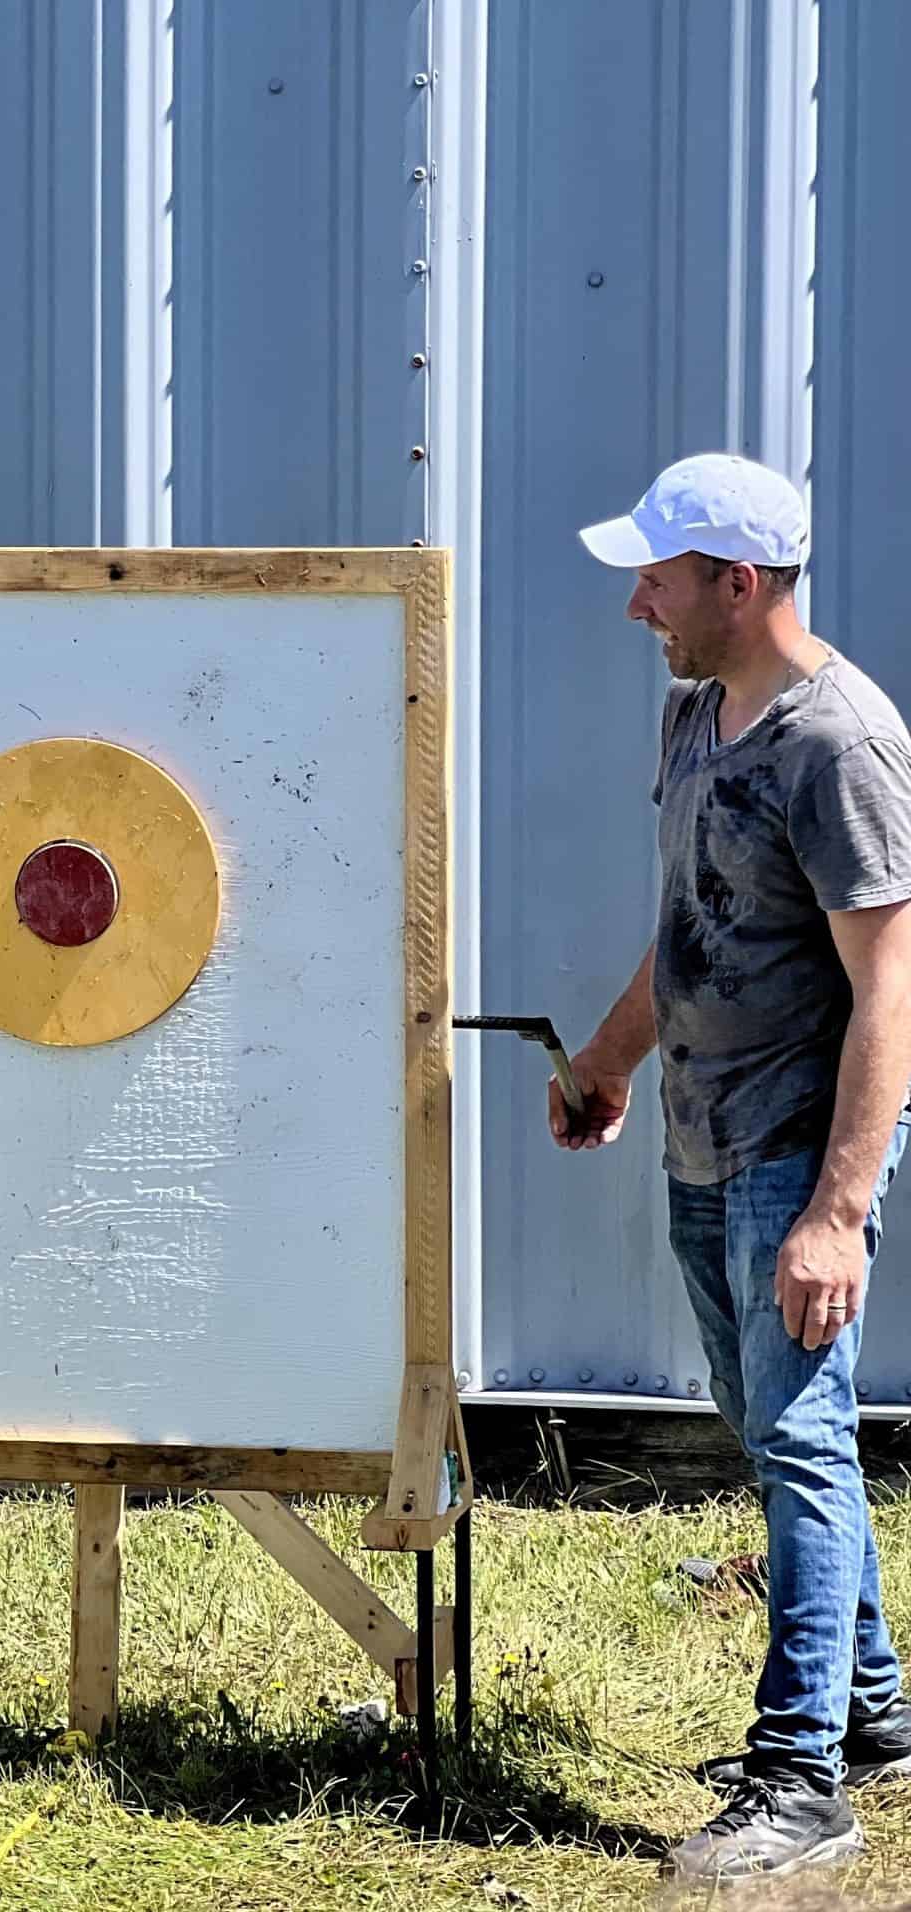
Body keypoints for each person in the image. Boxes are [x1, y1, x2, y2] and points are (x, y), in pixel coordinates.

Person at [561, 452, 911, 1883]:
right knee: (770, 1430)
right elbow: (691, 921)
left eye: (657, 578)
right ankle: (872, 1714)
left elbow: (889, 988)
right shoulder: (697, 714)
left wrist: (837, 1208)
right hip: (703, 1131)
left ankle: (799, 1780)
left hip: (792, 1152)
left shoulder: (840, 746)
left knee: (804, 1440)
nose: (636, 604)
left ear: (738, 583)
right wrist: (611, 1058)